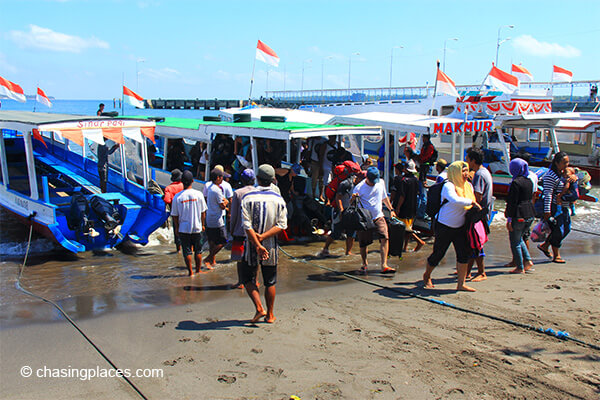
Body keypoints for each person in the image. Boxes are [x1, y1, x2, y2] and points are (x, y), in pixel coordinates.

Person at [422, 161, 482, 292]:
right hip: (444, 225)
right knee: (438, 254)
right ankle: (427, 276)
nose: (466, 174)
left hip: (460, 226)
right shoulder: (448, 185)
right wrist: (472, 202)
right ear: (455, 172)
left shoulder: (469, 186)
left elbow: (470, 205)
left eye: (467, 170)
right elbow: (455, 200)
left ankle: (461, 284)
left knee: (463, 254)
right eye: (463, 171)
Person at [240, 164, 288, 323]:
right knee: (270, 281)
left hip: (252, 245)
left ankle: (259, 308)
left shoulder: (247, 198)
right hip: (271, 245)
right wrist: (263, 238)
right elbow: (282, 225)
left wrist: (257, 244)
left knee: (247, 278)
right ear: (273, 180)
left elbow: (246, 225)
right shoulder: (278, 199)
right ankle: (270, 315)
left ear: (257, 179)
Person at [352, 166, 397, 274]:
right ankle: (364, 264)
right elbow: (351, 203)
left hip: (378, 216)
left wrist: (391, 209)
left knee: (385, 237)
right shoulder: (359, 187)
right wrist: (353, 198)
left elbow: (384, 197)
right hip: (365, 218)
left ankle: (384, 265)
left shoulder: (380, 182)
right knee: (364, 243)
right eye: (371, 181)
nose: (373, 183)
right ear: (367, 178)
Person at [537, 152, 574, 263]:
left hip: (564, 207)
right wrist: (547, 211)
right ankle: (556, 255)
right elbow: (548, 194)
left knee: (566, 229)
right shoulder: (550, 176)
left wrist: (573, 177)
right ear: (557, 163)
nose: (566, 165)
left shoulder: (563, 174)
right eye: (564, 162)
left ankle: (546, 245)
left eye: (567, 162)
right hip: (555, 208)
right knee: (558, 230)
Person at [171, 170, 208, 277]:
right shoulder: (199, 194)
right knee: (198, 250)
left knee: (186, 251)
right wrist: (202, 224)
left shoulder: (178, 197)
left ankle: (190, 272)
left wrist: (177, 228)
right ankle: (198, 270)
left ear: (182, 182)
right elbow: (203, 212)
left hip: (184, 228)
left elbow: (175, 215)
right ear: (192, 181)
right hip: (197, 227)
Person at [465, 147, 493, 282]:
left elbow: (478, 196)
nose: (466, 163)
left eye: (467, 160)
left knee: (476, 243)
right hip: (483, 213)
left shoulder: (479, 175)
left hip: (478, 214)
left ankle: (481, 272)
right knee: (473, 244)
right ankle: (468, 272)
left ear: (473, 161)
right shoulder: (485, 172)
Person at [317, 164, 357, 257]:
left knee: (351, 232)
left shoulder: (347, 182)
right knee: (336, 233)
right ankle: (325, 249)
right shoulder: (345, 184)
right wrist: (341, 211)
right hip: (339, 211)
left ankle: (348, 252)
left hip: (349, 210)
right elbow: (338, 198)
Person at [505, 159, 535, 274]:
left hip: (519, 214)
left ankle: (520, 266)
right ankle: (527, 260)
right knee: (520, 238)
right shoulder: (529, 181)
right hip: (529, 213)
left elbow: (513, 202)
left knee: (515, 241)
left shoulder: (515, 183)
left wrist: (509, 219)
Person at [229, 169, 257, 289]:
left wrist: (231, 229)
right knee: (255, 257)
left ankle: (241, 282)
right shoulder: (258, 192)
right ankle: (255, 280)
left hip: (240, 230)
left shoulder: (238, 193)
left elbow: (234, 214)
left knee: (239, 258)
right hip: (255, 230)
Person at [391, 161, 425, 252]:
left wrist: (398, 207)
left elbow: (402, 196)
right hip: (413, 207)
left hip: (404, 207)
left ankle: (419, 241)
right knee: (408, 227)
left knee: (405, 228)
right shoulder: (415, 179)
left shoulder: (404, 180)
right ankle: (405, 247)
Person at [203, 167, 230, 269]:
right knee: (223, 241)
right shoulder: (217, 190)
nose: (222, 179)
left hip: (210, 217)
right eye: (222, 177)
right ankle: (209, 258)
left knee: (212, 241)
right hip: (217, 219)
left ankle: (211, 261)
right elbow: (222, 205)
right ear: (218, 178)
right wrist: (226, 202)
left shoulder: (210, 188)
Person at [163, 169, 184, 253]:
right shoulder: (183, 185)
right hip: (185, 211)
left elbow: (167, 200)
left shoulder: (169, 188)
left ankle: (178, 250)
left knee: (177, 230)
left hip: (175, 212)